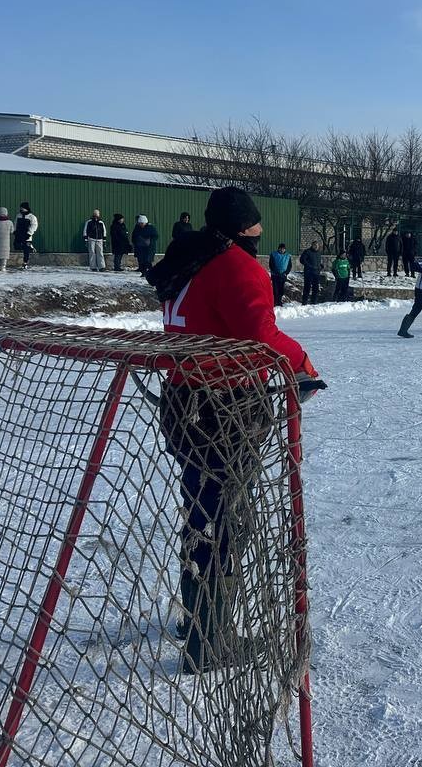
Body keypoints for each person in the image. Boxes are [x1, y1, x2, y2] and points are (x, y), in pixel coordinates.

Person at [147, 186, 322, 674]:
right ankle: (209, 639)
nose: (260, 233)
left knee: (201, 507)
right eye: (256, 225)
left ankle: (195, 618)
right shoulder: (236, 265)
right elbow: (260, 335)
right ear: (245, 227)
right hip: (222, 408)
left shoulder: (190, 256)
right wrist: (303, 363)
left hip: (183, 401)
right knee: (224, 517)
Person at [13, 202, 38, 268]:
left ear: (26, 208)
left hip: (27, 235)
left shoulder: (31, 217)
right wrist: (14, 231)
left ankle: (25, 263)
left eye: (23, 208)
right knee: (16, 246)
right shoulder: (18, 215)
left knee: (26, 250)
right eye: (21, 208)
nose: (21, 209)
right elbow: (15, 223)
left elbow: (34, 226)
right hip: (19, 234)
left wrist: (29, 233)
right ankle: (30, 247)